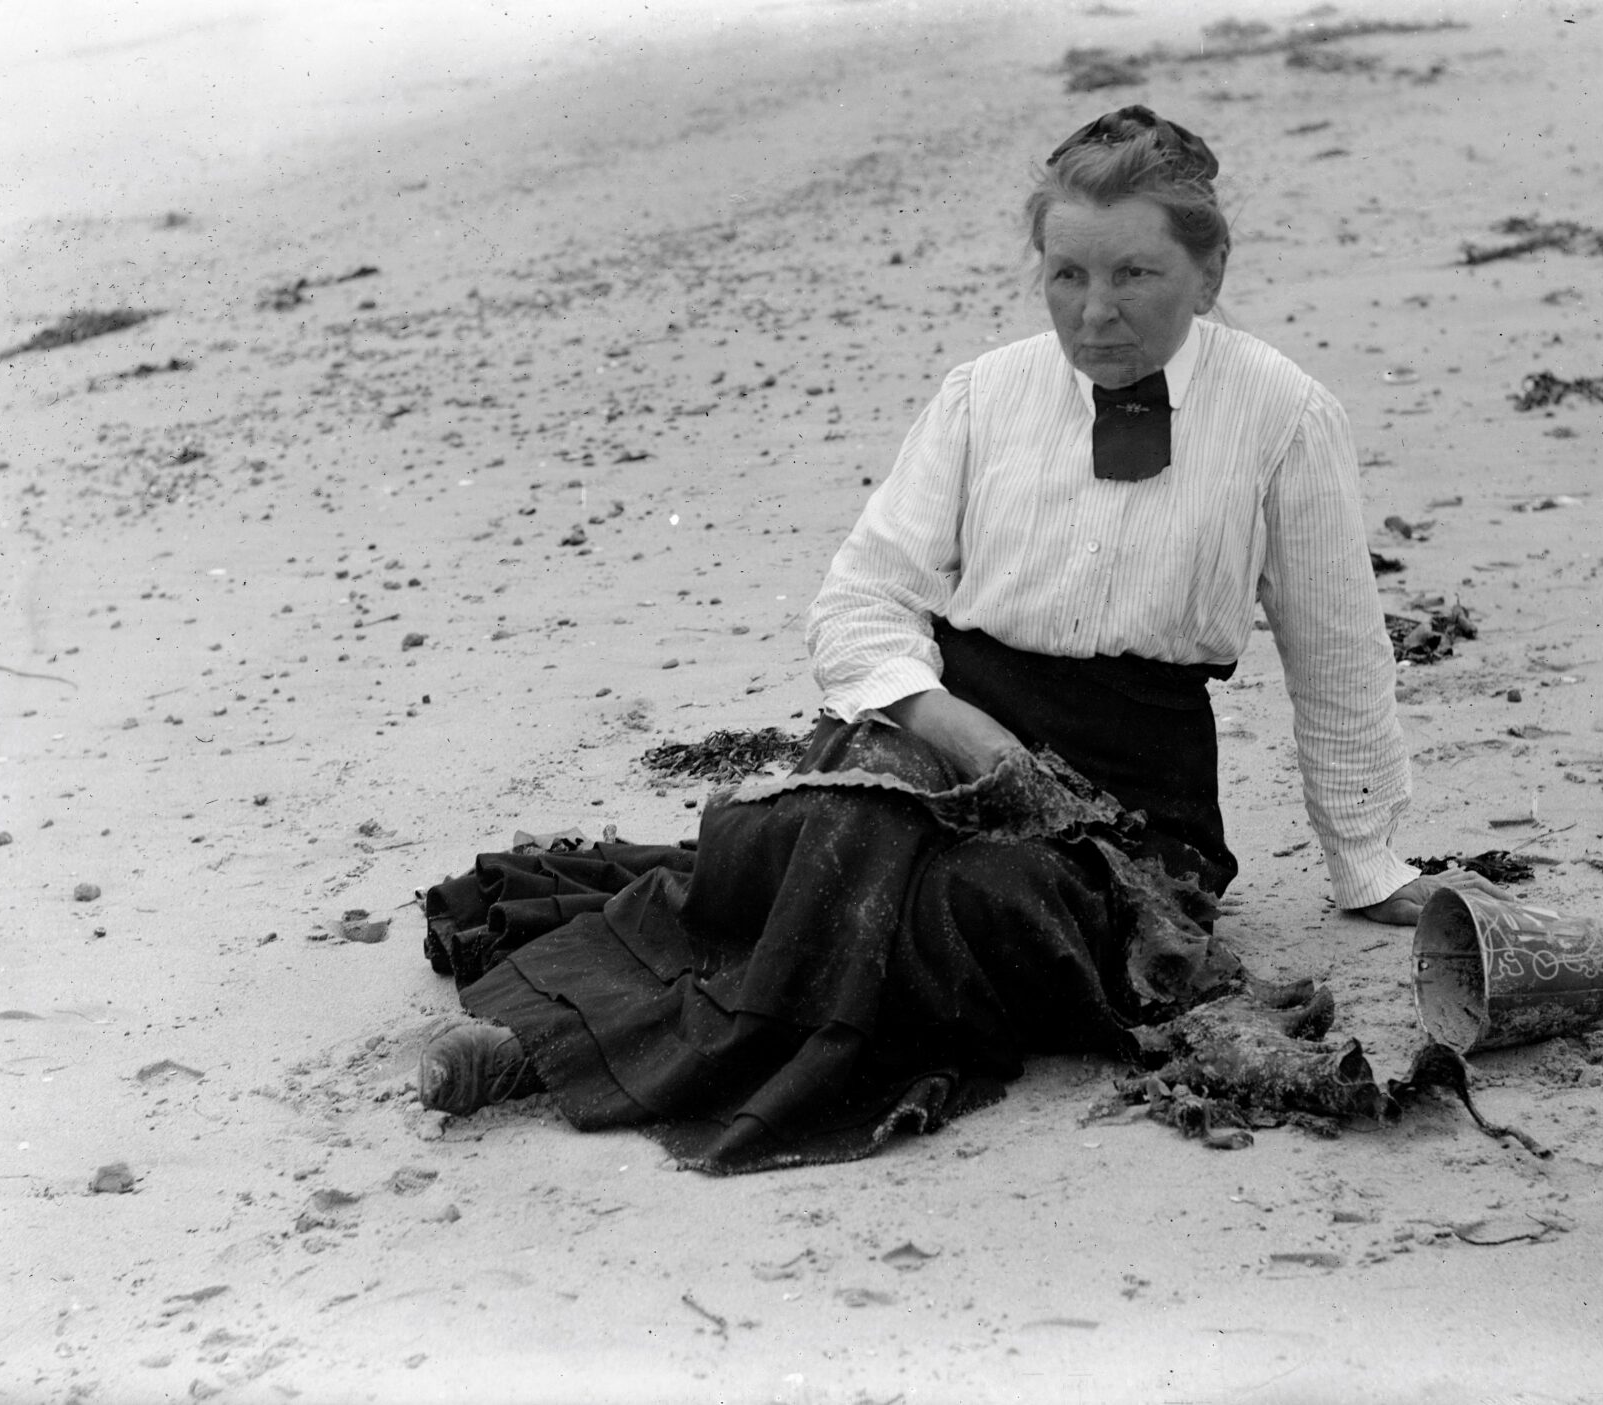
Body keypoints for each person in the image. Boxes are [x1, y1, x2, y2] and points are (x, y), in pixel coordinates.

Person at [414, 106, 1498, 1172]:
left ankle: (601, 1049)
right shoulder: (984, 396)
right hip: (936, 730)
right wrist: (946, 721)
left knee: (980, 909)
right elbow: (860, 600)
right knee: (823, 841)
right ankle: (542, 1047)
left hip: (1132, 791)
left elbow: (1339, 650)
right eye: (1066, 274)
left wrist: (1367, 861)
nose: (1095, 313)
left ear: (1210, 273)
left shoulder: (1284, 415)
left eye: (1135, 276)